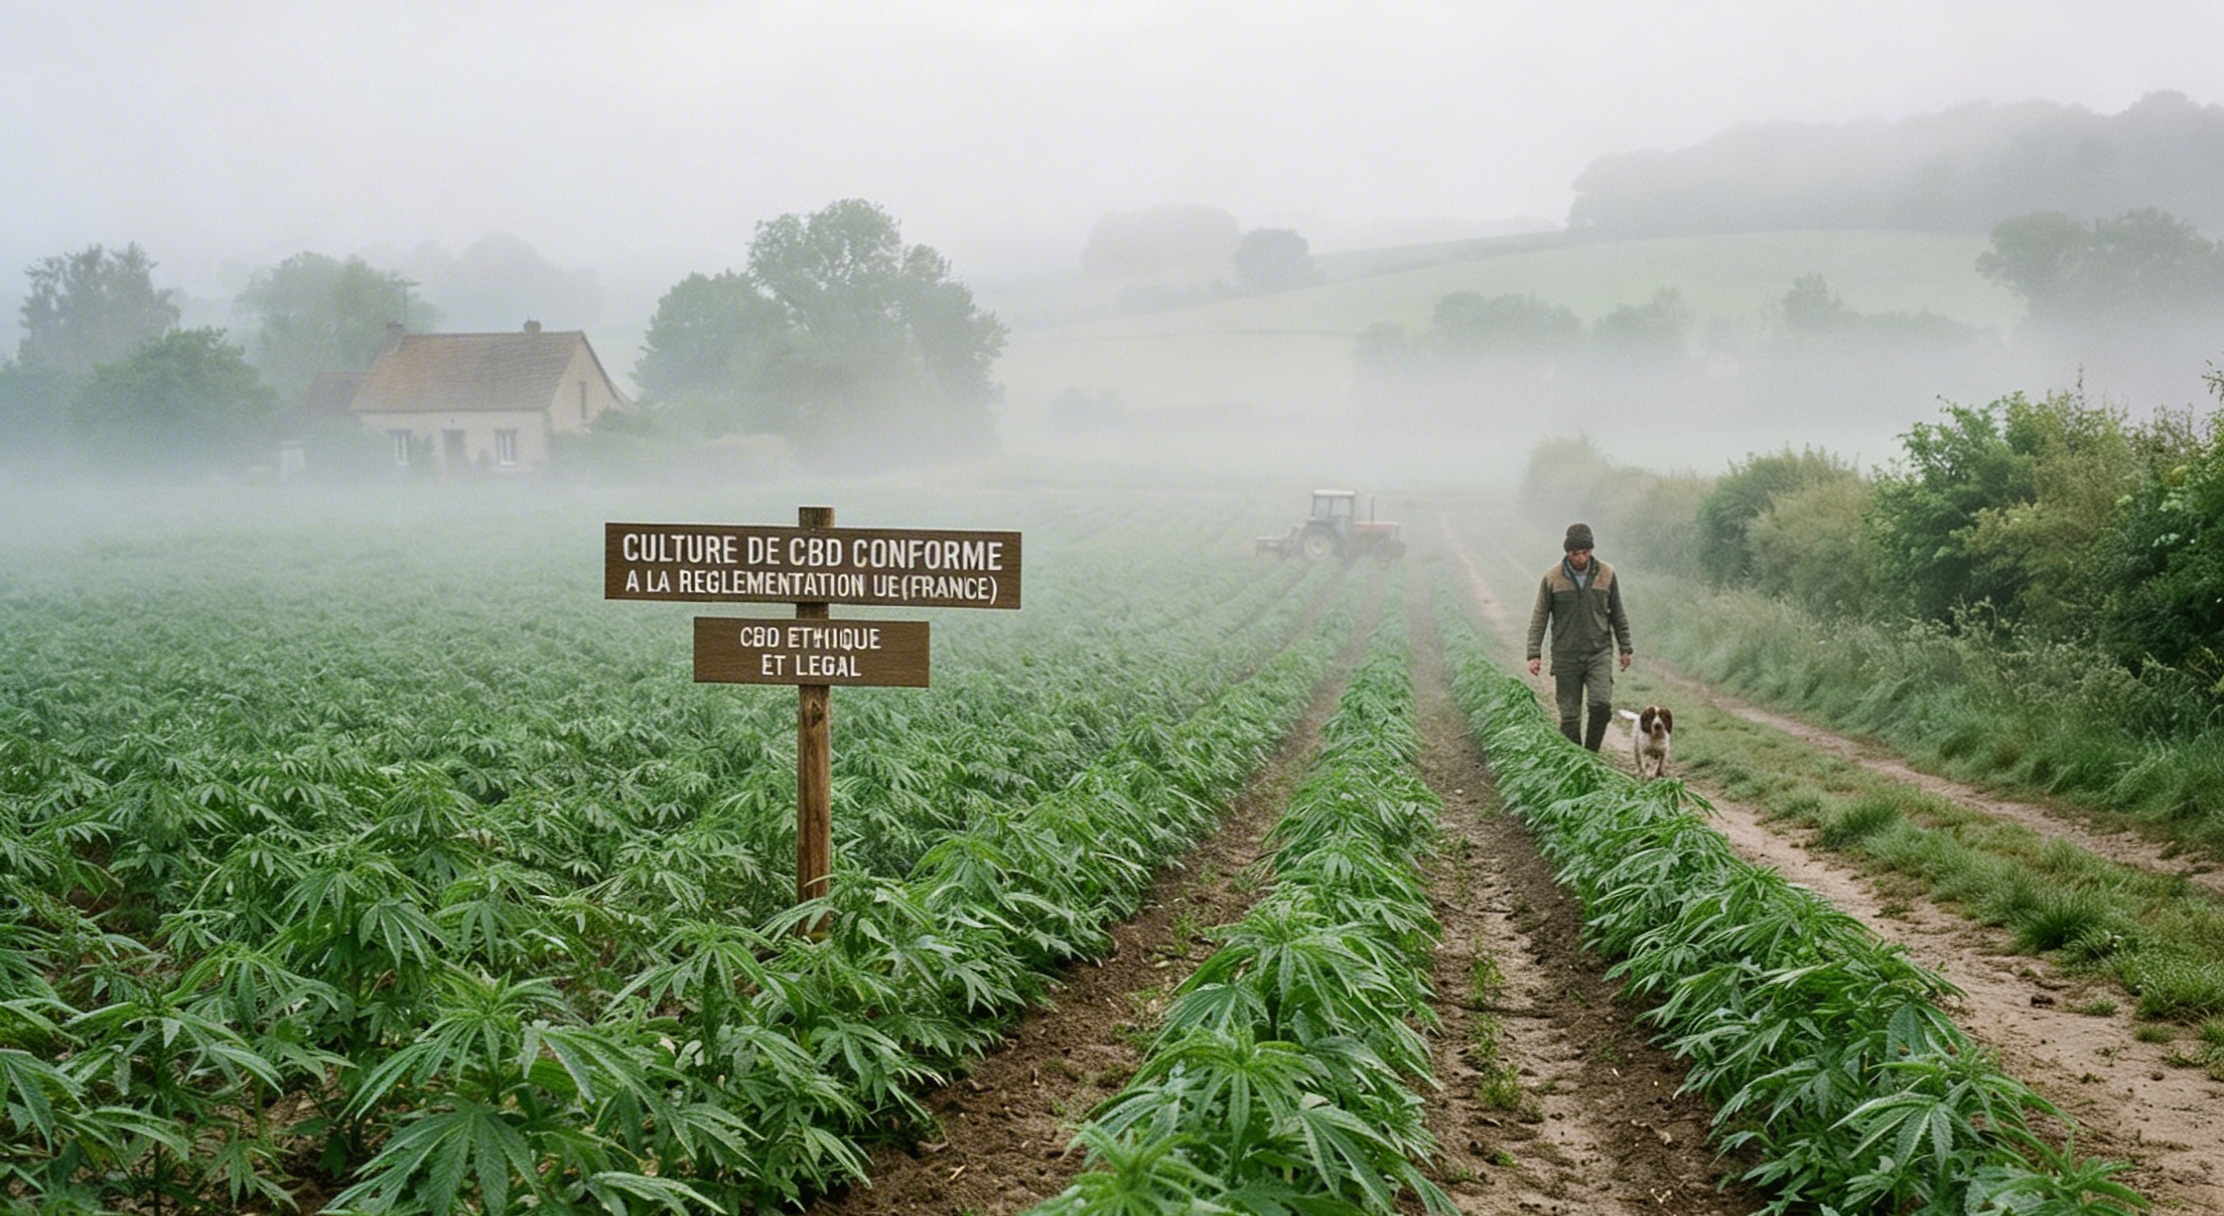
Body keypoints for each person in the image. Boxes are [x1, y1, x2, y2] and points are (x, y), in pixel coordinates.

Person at [1525, 522, 1633, 751]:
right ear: (1568, 553)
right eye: (1575, 553)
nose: (1580, 558)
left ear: (1591, 551)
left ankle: (1591, 754)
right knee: (1570, 717)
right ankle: (1577, 758)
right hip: (1566, 655)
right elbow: (1540, 617)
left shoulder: (1607, 574)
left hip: (1599, 651)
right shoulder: (1552, 578)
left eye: (1585, 552)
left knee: (1601, 705)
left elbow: (1618, 613)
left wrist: (1626, 647)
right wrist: (1534, 653)